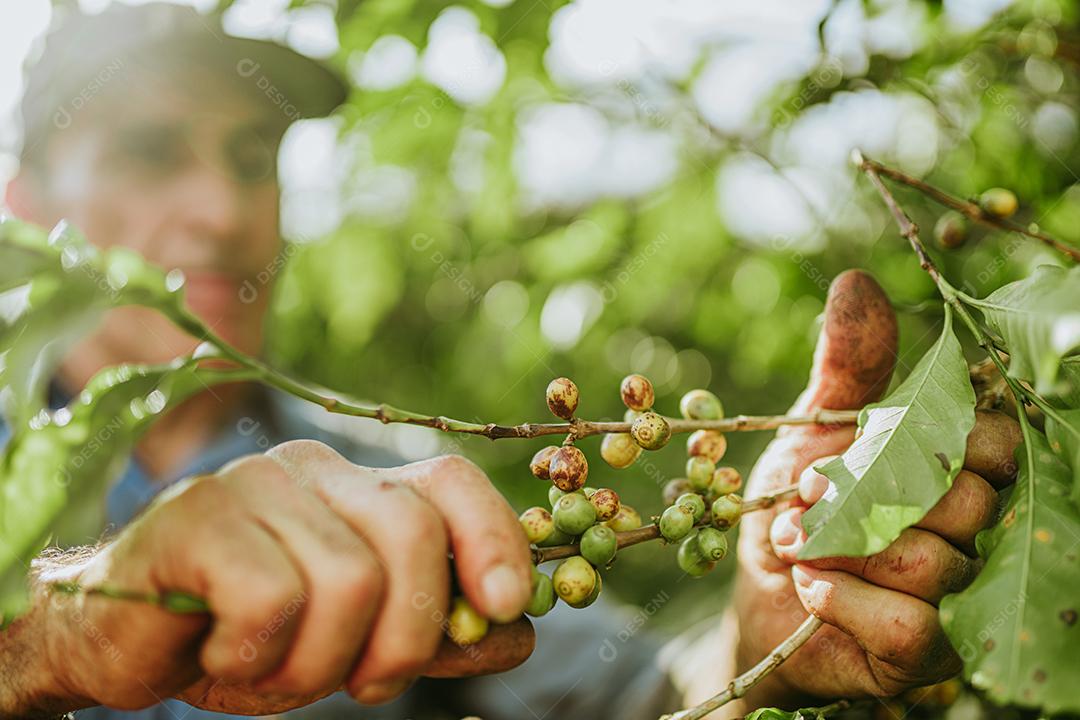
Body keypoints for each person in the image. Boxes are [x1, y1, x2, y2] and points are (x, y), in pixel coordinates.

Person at [0, 4, 1002, 719]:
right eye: (148, 151)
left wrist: (758, 644)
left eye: (253, 159)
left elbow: (641, 700)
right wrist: (55, 641)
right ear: (28, 209)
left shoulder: (381, 480)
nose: (222, 212)